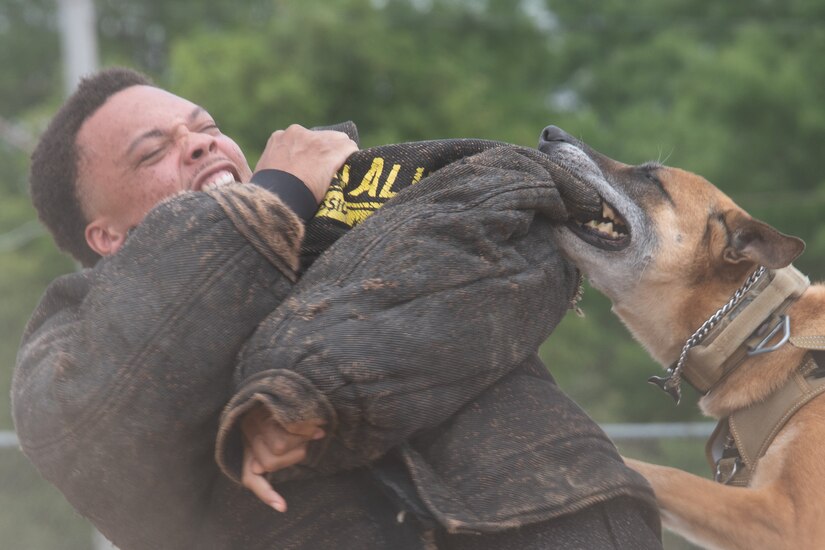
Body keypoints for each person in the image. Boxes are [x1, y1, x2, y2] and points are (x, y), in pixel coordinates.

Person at [13, 67, 662, 549]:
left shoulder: (364, 198)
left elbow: (528, 196)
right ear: (107, 238)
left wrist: (304, 388)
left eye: (206, 128)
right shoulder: (73, 343)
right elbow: (103, 420)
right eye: (152, 152)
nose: (202, 143)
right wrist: (274, 198)